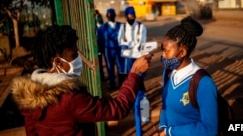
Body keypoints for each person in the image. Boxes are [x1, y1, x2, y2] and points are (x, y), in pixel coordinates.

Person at [10, 25, 153, 136]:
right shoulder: (69, 98)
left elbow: (32, 132)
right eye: (73, 55)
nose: (78, 60)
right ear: (58, 63)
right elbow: (118, 109)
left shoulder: (27, 96)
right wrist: (134, 73)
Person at [153, 16, 218, 136]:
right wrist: (162, 127)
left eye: (167, 51)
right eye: (162, 50)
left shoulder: (204, 83)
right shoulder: (168, 73)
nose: (162, 55)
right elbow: (165, 106)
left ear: (182, 52)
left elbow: (210, 129)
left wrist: (170, 132)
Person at [117, 6, 147, 88]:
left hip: (137, 55)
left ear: (135, 16)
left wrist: (130, 44)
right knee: (127, 76)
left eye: (132, 16)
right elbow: (120, 40)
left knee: (139, 76)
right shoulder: (123, 27)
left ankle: (141, 95)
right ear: (126, 16)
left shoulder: (141, 27)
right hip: (127, 56)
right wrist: (128, 44)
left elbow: (142, 41)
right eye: (128, 16)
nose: (130, 18)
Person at [101, 8, 123, 90]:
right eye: (109, 15)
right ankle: (112, 85)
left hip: (119, 50)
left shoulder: (120, 25)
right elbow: (101, 39)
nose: (110, 16)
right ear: (107, 16)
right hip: (108, 50)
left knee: (120, 68)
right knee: (110, 68)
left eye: (112, 15)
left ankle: (121, 84)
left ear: (115, 15)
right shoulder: (104, 27)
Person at [95, 11, 105, 81]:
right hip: (98, 47)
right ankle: (101, 77)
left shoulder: (102, 26)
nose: (97, 17)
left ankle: (102, 77)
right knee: (99, 63)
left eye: (98, 16)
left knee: (103, 63)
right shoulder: (94, 27)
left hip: (103, 46)